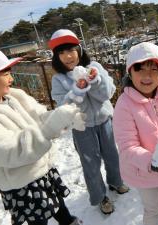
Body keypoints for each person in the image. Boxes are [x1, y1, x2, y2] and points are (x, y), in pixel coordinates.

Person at [0, 44, 85, 225]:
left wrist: (64, 118)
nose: (11, 77)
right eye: (5, 73)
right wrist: (50, 127)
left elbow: (41, 116)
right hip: (21, 185)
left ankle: (68, 221)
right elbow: (11, 149)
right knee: (38, 220)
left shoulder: (14, 96)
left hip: (42, 169)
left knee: (58, 205)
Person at [49, 29, 129, 215]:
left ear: (79, 50)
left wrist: (95, 80)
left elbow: (107, 94)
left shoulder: (95, 66)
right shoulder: (58, 79)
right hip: (82, 127)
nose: (68, 56)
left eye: (71, 50)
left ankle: (116, 182)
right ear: (56, 57)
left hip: (104, 120)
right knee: (90, 164)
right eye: (61, 53)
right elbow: (63, 107)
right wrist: (77, 90)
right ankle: (100, 197)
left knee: (112, 155)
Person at [112, 42, 158, 225]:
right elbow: (128, 147)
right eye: (140, 69)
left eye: (154, 69)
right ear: (130, 71)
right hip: (143, 170)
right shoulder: (124, 104)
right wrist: (155, 163)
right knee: (152, 209)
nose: (147, 76)